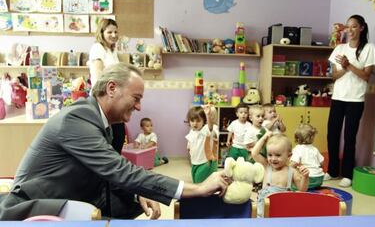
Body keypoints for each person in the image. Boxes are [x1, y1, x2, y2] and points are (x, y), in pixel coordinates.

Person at [0, 63, 229, 220]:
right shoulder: (76, 119)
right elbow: (121, 171)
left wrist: (139, 192)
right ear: (111, 88)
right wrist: (197, 189)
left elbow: (111, 171)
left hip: (82, 191)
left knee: (138, 199)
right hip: (41, 203)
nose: (139, 107)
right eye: (136, 98)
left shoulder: (112, 124)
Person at [325, 15, 375, 187]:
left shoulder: (369, 48)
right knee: (332, 134)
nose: (350, 30)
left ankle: (347, 173)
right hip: (338, 98)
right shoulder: (340, 48)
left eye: (354, 26)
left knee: (350, 137)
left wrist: (349, 65)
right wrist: (344, 67)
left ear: (362, 28)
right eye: (348, 27)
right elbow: (334, 75)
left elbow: (365, 76)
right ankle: (333, 171)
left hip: (355, 100)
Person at [252, 132, 309, 217]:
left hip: (283, 210)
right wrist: (264, 138)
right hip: (264, 210)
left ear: (289, 156)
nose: (273, 158)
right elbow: (254, 153)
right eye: (270, 155)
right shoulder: (267, 166)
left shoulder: (292, 171)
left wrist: (305, 177)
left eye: (278, 155)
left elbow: (302, 190)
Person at [89, 18, 124, 155]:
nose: (114, 35)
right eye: (110, 32)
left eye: (116, 32)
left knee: (118, 137)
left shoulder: (112, 50)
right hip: (103, 97)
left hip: (114, 97)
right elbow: (98, 75)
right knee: (108, 138)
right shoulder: (98, 48)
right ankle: (108, 171)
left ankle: (115, 170)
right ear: (102, 32)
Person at [186, 105, 219, 183]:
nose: (195, 123)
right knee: (195, 180)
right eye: (192, 121)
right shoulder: (192, 131)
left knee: (199, 182)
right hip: (195, 161)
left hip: (204, 162)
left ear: (204, 121)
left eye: (198, 121)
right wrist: (188, 147)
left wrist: (207, 115)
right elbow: (191, 141)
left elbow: (210, 127)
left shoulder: (205, 130)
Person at [291, 124, 324, 189]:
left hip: (308, 179)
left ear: (297, 138)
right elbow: (322, 162)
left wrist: (286, 168)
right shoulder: (315, 149)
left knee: (292, 173)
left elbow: (294, 163)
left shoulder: (297, 149)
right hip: (319, 178)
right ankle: (314, 187)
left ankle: (299, 188)